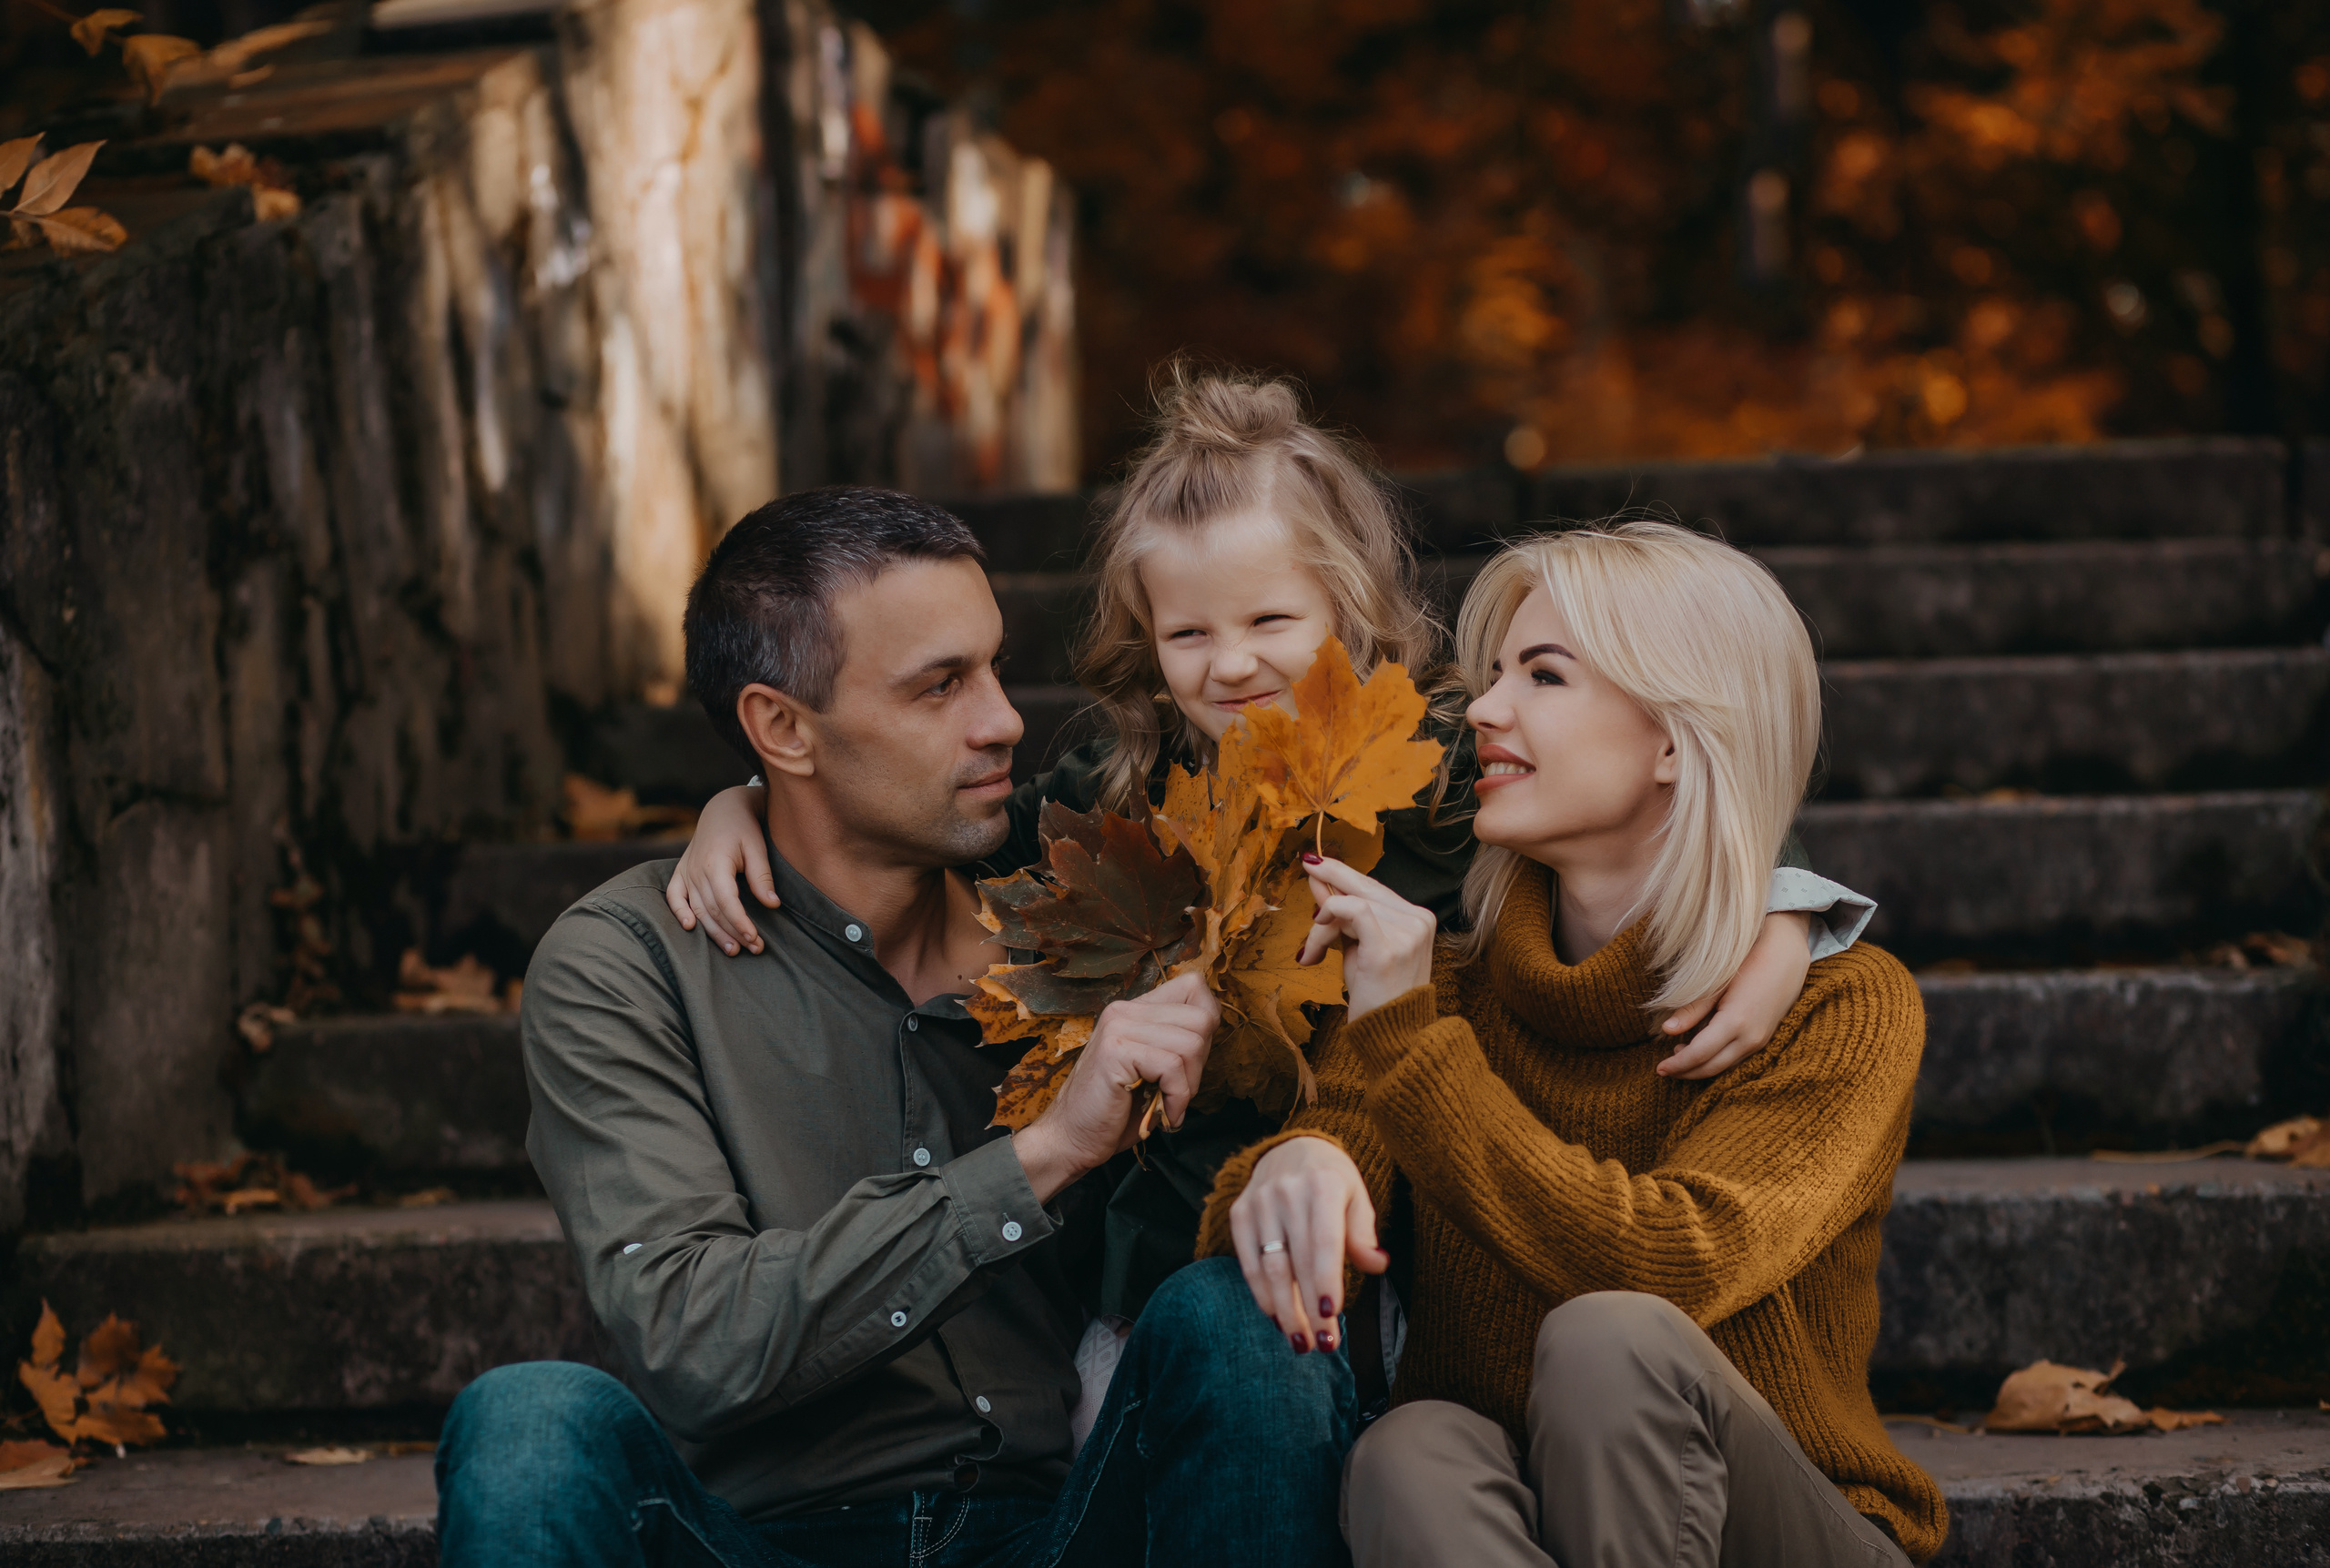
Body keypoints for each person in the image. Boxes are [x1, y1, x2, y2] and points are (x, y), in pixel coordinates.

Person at [662, 368, 1876, 1328]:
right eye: (1187, 630)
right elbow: (948, 835)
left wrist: (1786, 916)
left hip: (1418, 1192)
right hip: (1179, 1222)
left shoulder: (1442, 754)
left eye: (1270, 621)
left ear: (1345, 604)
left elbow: (1681, 804)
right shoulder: (1125, 784)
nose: (1230, 662)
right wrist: (742, 801)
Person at [434, 487, 1355, 1568]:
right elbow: (695, 1337)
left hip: (1056, 1532)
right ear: (780, 728)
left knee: (1236, 1317)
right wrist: (1045, 1155)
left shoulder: (1081, 907)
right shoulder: (629, 963)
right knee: (530, 1420)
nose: (1005, 717)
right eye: (940, 686)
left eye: (994, 667)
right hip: (753, 1543)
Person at [1202, 519, 1946, 1567]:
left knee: (1614, 1340)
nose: (1487, 711)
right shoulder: (1442, 993)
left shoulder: (1841, 1006)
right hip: (1518, 1521)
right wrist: (1295, 1163)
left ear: (1676, 741)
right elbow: (1324, 1182)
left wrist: (1408, 1042)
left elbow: (1669, 1266)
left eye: (1544, 676)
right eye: (1494, 674)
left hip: (1788, 1531)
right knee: (1411, 1449)